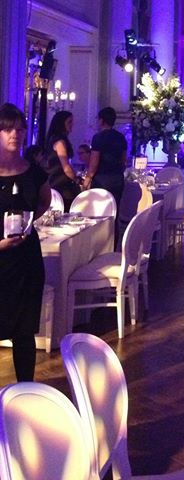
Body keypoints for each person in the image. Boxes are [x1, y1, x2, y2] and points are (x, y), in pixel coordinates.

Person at [0, 103, 51, 381]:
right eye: (8, 129)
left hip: (27, 260)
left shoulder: (34, 172)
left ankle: (26, 391)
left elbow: (44, 201)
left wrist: (27, 224)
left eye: (20, 129)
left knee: (24, 332)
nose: (15, 134)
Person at [82, 107, 127, 208]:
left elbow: (94, 163)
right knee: (115, 209)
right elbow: (124, 160)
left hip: (101, 180)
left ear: (101, 120)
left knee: (100, 210)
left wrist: (87, 179)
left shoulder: (98, 137)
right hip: (117, 179)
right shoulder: (121, 137)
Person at [45, 110, 80, 211]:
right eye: (69, 122)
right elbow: (66, 167)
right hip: (61, 183)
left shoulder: (54, 139)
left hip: (55, 181)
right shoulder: (60, 141)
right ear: (61, 123)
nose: (72, 125)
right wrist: (77, 180)